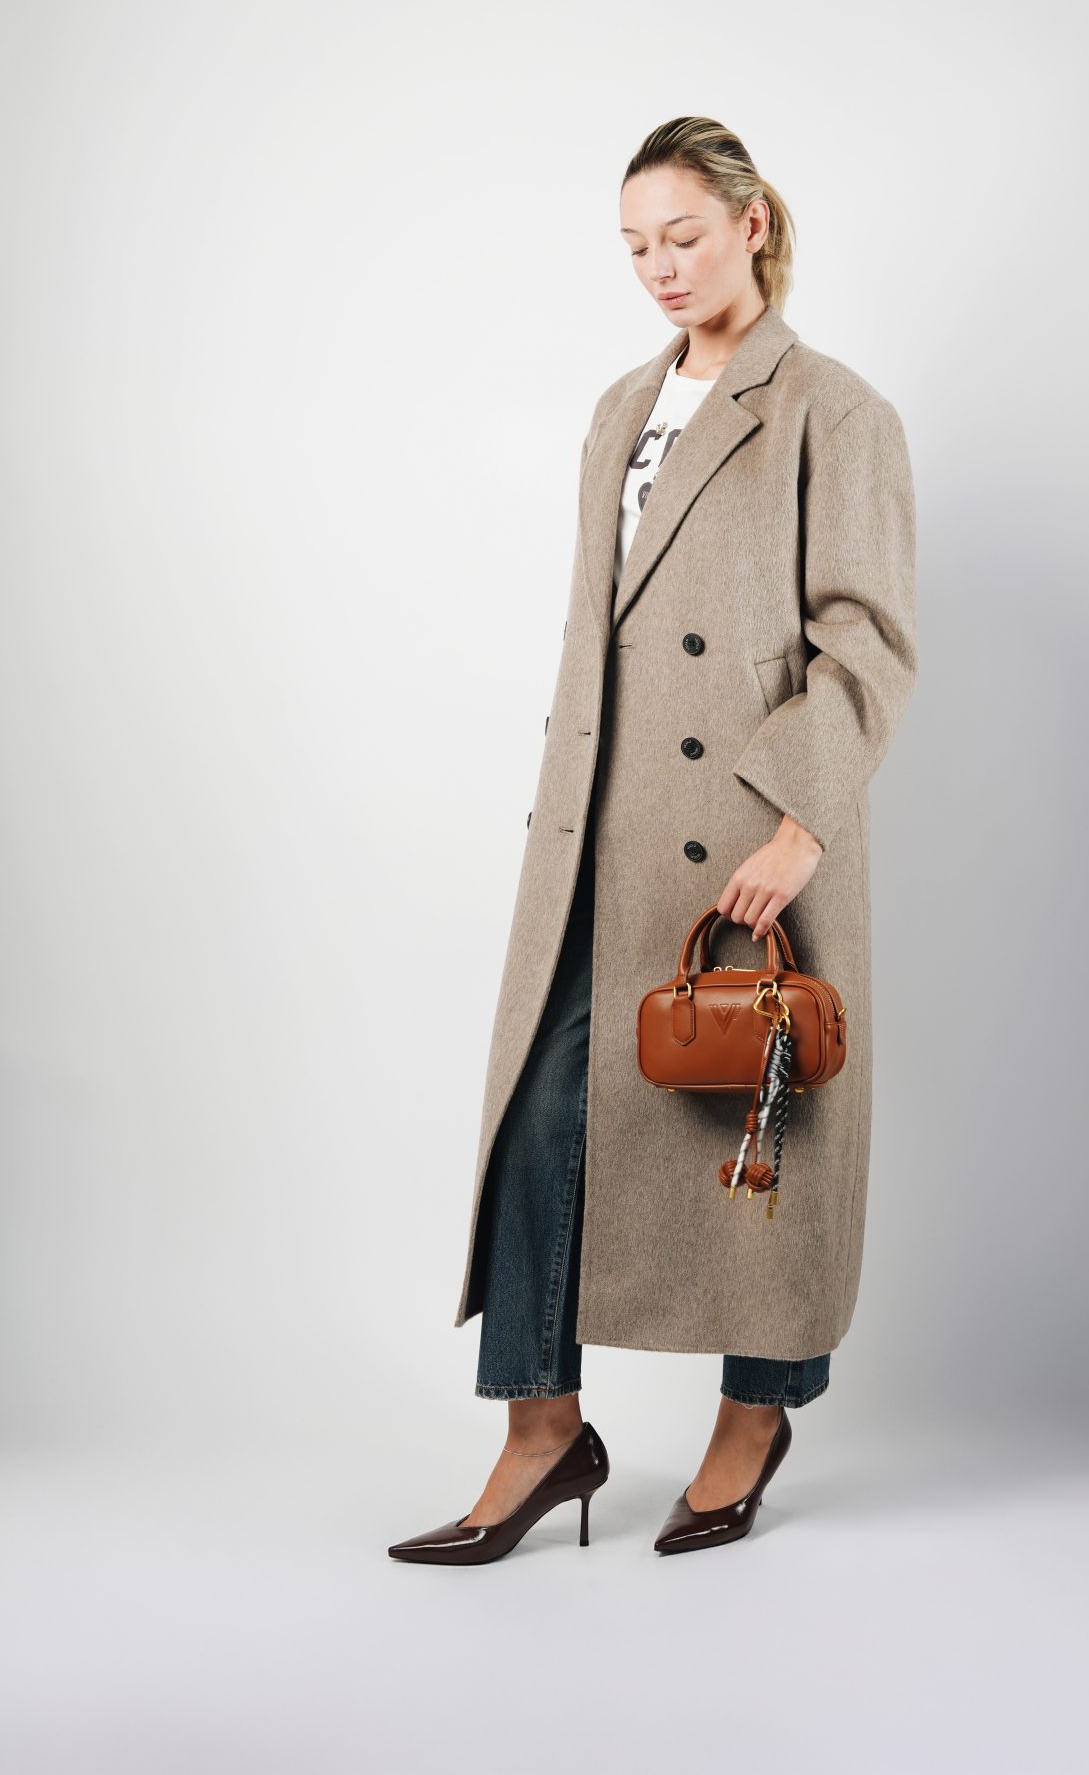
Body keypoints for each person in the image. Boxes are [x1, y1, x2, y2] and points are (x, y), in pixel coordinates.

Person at [389, 116, 919, 1563]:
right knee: (540, 1114)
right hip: (600, 827)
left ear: (753, 223)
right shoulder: (622, 405)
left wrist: (803, 826)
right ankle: (541, 1433)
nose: (660, 268)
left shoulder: (834, 411)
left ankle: (755, 1417)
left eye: (683, 236)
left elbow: (866, 641)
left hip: (749, 830)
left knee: (762, 1121)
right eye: (635, 247)